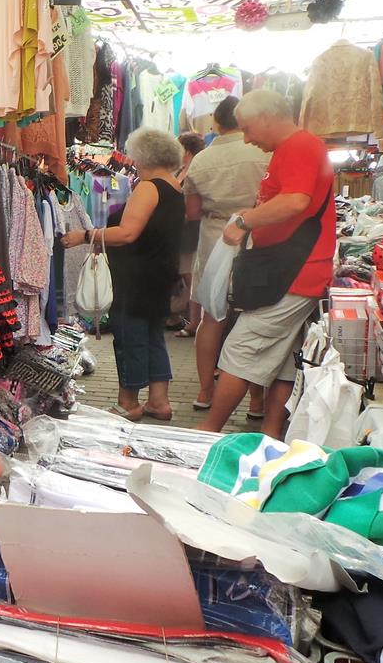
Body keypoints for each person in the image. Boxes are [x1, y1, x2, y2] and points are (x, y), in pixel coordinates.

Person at [197, 90, 334, 438]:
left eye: (247, 129)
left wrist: (246, 222)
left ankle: (210, 429)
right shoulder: (294, 147)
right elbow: (290, 201)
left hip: (293, 272)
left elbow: (295, 201)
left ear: (266, 118)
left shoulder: (300, 146)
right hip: (293, 270)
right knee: (284, 358)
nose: (247, 138)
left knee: (241, 348)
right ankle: (272, 431)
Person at [61, 127, 185, 421]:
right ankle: (159, 401)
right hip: (159, 273)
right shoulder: (174, 186)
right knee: (152, 335)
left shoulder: (149, 187)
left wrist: (86, 236)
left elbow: (128, 233)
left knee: (130, 338)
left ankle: (128, 402)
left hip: (136, 276)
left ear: (143, 156)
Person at [183, 95, 270, 413]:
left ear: (216, 123)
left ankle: (206, 391)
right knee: (257, 317)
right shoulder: (264, 152)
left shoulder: (201, 160)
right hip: (259, 234)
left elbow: (192, 212)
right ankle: (257, 401)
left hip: (215, 237)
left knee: (211, 318)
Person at [171, 132, 207, 336]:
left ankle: (195, 321)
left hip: (191, 230)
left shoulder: (195, 169)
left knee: (190, 275)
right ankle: (187, 318)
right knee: (186, 274)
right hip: (182, 229)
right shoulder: (182, 169)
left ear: (186, 150)